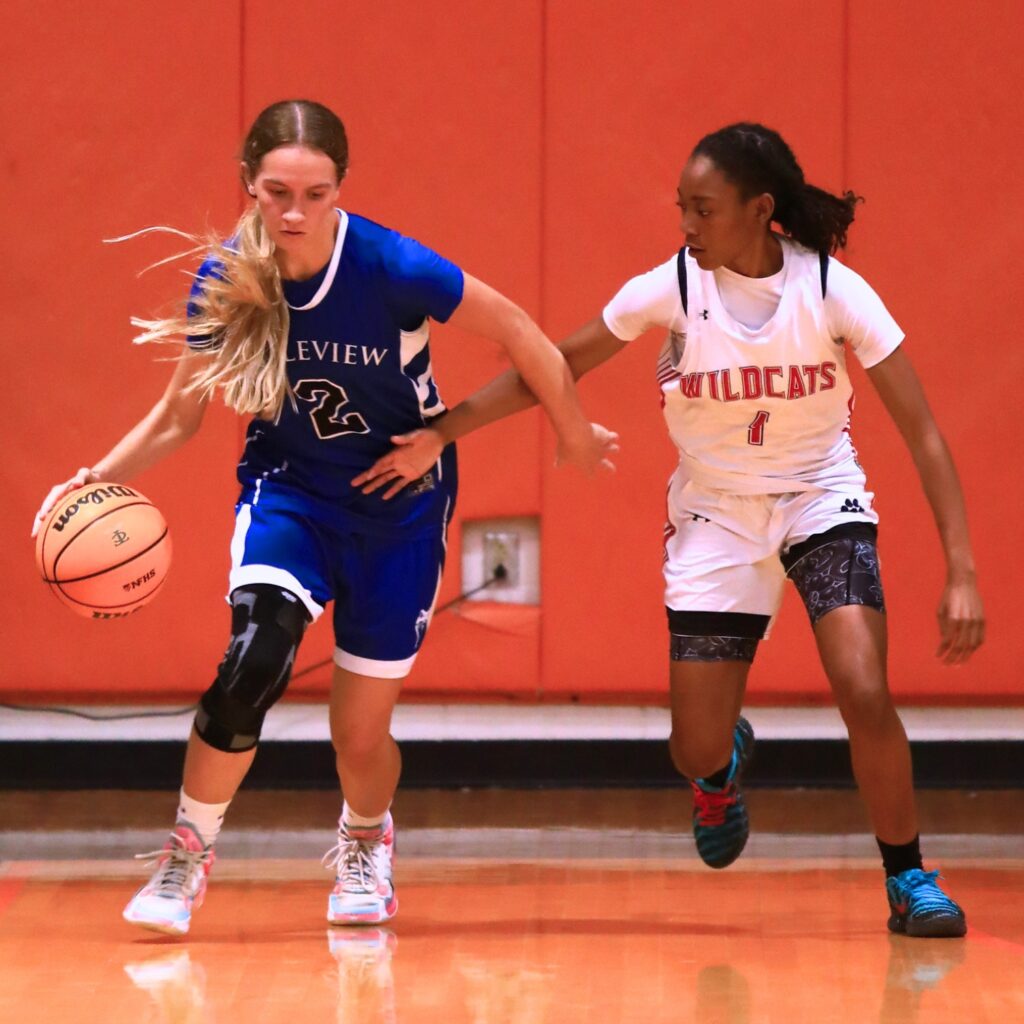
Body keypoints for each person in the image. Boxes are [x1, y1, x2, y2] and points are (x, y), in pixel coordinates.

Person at [355, 122, 985, 938]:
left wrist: (961, 568)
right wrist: (444, 430)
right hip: (715, 514)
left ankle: (909, 879)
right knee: (692, 746)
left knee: (863, 688)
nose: (686, 224)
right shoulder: (672, 289)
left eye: (704, 208)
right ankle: (720, 766)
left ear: (761, 210)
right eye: (681, 207)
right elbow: (553, 364)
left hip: (818, 500)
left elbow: (924, 432)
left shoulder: (831, 289)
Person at [31, 98, 616, 936]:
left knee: (358, 734)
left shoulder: (391, 265)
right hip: (292, 492)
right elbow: (176, 417)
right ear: (249, 186)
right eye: (276, 192)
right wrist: (90, 480)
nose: (295, 212)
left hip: (399, 503)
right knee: (253, 659)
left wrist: (566, 434)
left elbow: (524, 333)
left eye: (315, 193)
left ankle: (366, 837)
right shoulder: (229, 277)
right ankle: (186, 855)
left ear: (342, 189)